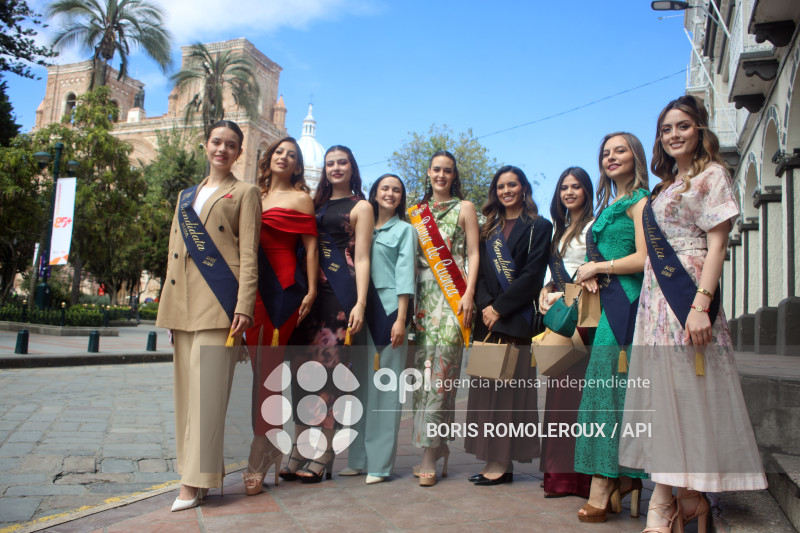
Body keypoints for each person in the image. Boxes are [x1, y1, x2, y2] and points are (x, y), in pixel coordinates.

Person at [619, 96, 767, 533]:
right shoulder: (663, 189)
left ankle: (669, 502)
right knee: (662, 399)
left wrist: (700, 305)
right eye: (666, 129)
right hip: (655, 298)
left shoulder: (712, 175)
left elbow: (718, 244)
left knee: (689, 394)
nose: (673, 135)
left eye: (682, 126)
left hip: (689, 293)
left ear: (700, 129)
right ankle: (682, 497)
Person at [156, 120, 261, 512]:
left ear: (239, 152)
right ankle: (198, 476)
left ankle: (192, 483)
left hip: (220, 301)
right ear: (206, 145)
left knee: (208, 397)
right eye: (217, 142)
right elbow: (173, 251)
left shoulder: (246, 192)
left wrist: (244, 306)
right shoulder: (186, 196)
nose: (222, 149)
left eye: (231, 144)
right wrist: (167, 307)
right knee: (186, 396)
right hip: (181, 303)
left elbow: (250, 253)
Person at [283, 145, 373, 483]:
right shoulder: (314, 204)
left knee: (329, 374)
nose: (336, 168)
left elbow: (362, 257)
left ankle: (324, 451)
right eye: (330, 163)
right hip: (308, 296)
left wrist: (360, 303)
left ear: (352, 167)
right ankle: (297, 447)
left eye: (342, 162)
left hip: (340, 296)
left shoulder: (361, 206)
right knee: (300, 371)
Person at [572, 132, 650, 523]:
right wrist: (591, 276)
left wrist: (599, 267)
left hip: (630, 303)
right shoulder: (610, 204)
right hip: (609, 301)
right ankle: (623, 474)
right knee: (607, 389)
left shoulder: (639, 201)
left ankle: (606, 481)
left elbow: (644, 257)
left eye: (620, 150)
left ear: (636, 156)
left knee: (611, 388)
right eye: (605, 152)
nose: (611, 157)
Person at [465, 165, 551, 485]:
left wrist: (499, 309)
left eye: (512, 185)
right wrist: (486, 307)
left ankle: (502, 464)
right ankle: (493, 459)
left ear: (523, 188)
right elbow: (483, 275)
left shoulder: (539, 226)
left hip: (516, 321)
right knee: (486, 395)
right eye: (500, 186)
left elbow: (532, 276)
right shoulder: (489, 230)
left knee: (509, 396)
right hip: (487, 322)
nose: (506, 191)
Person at [241, 136, 318, 496]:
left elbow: (310, 246)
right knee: (261, 370)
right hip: (253, 287)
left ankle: (261, 449)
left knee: (269, 370)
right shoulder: (253, 193)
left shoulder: (302, 199)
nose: (284, 157)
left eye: (291, 155)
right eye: (279, 152)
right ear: (268, 158)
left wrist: (312, 290)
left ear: (298, 166)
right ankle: (271, 440)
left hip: (284, 290)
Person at [409, 150, 480, 487]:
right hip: (422, 300)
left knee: (443, 376)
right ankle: (440, 446)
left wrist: (468, 295)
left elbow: (474, 252)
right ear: (428, 172)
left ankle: (428, 453)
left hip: (454, 298)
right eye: (436, 169)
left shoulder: (465, 208)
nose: (441, 175)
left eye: (447, 171)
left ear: (454, 176)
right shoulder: (417, 213)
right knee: (422, 378)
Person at [342, 174, 416, 484]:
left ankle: (380, 465)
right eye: (384, 188)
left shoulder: (405, 230)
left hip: (387, 315)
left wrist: (401, 320)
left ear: (401, 198)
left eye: (396, 190)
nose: (390, 193)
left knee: (385, 392)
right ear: (374, 193)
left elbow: (406, 276)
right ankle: (356, 459)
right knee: (358, 390)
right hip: (359, 314)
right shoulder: (362, 225)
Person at [538, 166, 595, 499]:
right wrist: (545, 291)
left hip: (584, 320)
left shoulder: (592, 227)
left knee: (579, 401)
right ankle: (558, 478)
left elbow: (591, 275)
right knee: (558, 400)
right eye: (564, 188)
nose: (569, 192)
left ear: (586, 191)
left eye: (576, 187)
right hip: (561, 317)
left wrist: (565, 293)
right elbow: (553, 276)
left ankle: (582, 479)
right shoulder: (559, 230)